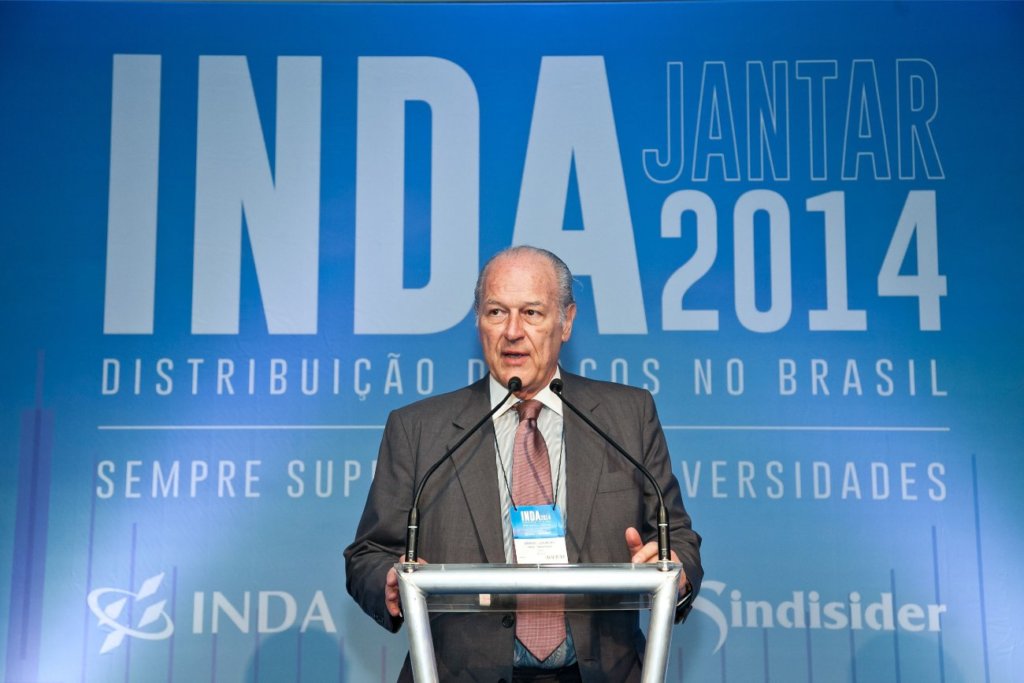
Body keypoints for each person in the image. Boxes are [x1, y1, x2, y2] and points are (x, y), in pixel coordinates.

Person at [345, 245, 702, 682]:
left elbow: (678, 538)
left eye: (531, 313)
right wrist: (388, 580)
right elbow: (368, 554)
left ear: (566, 321)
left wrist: (672, 567)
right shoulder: (419, 429)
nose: (512, 331)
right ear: (478, 321)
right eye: (497, 312)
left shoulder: (627, 416)